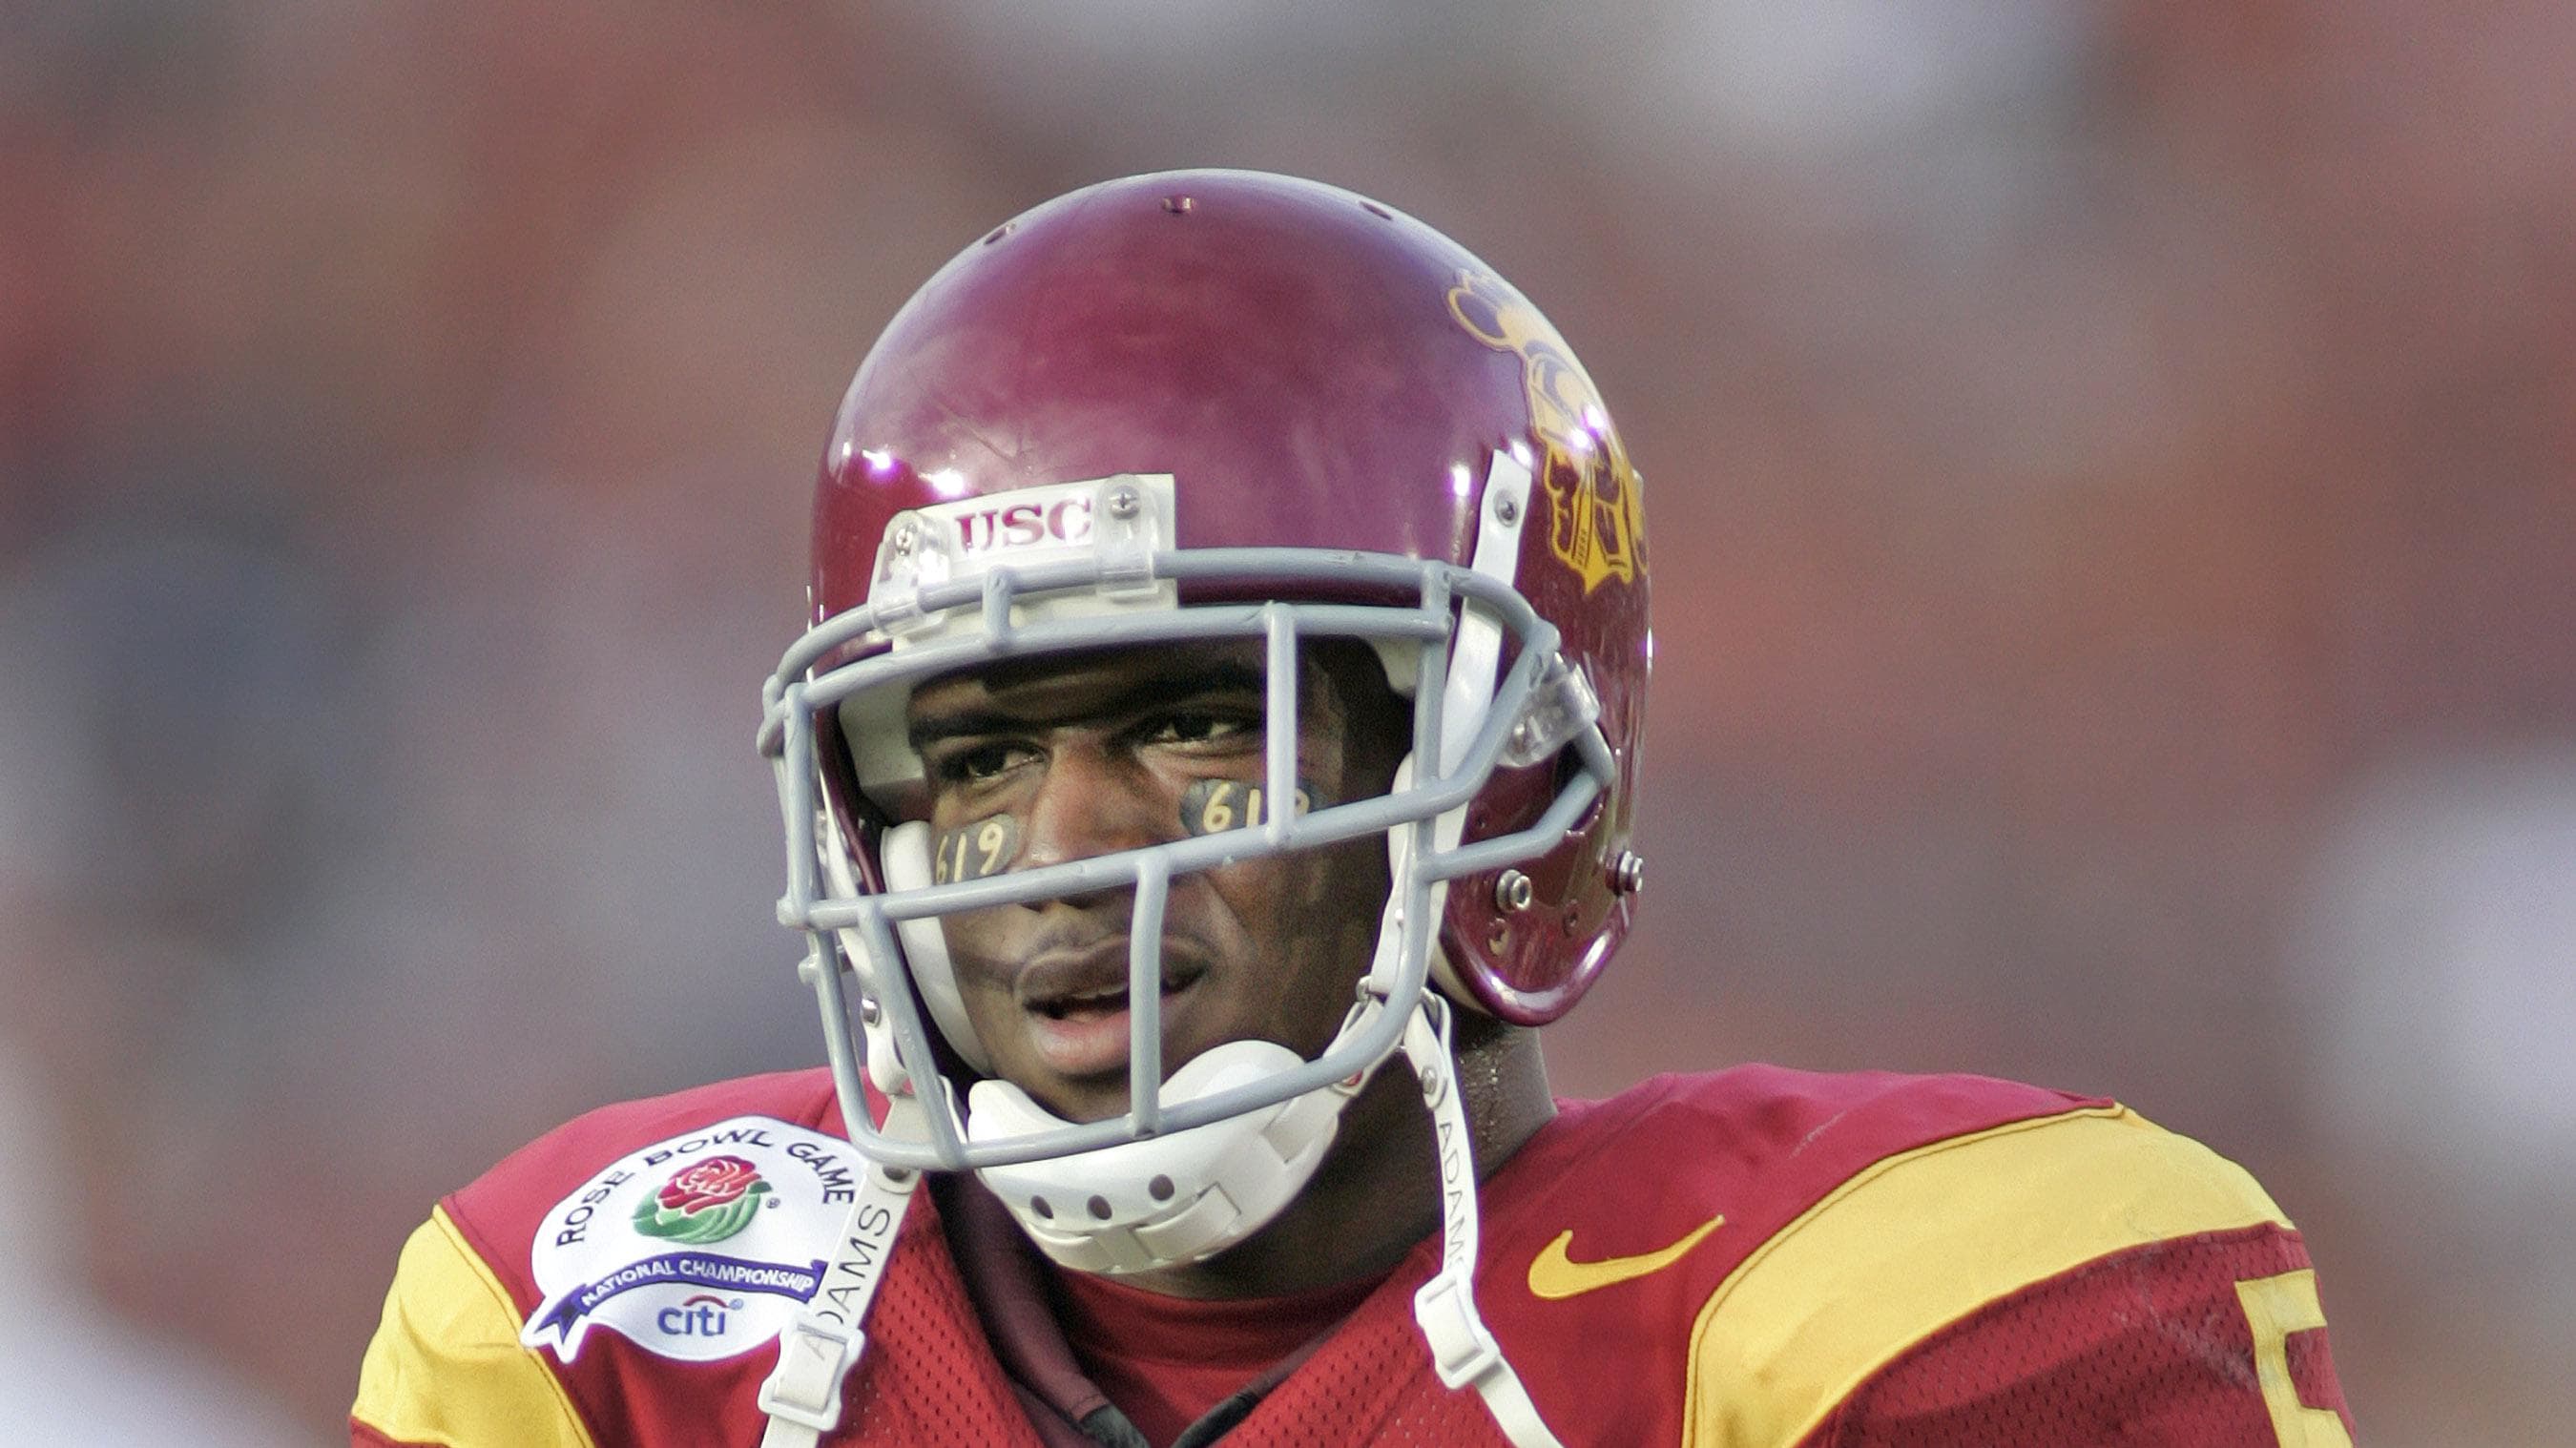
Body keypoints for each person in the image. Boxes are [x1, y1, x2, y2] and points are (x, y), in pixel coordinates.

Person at [351, 169, 2354, 1448]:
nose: (1062, 849)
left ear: (1498, 772)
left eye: (1197, 725)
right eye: (969, 757)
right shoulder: (624, 1326)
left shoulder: (1883, 1316)